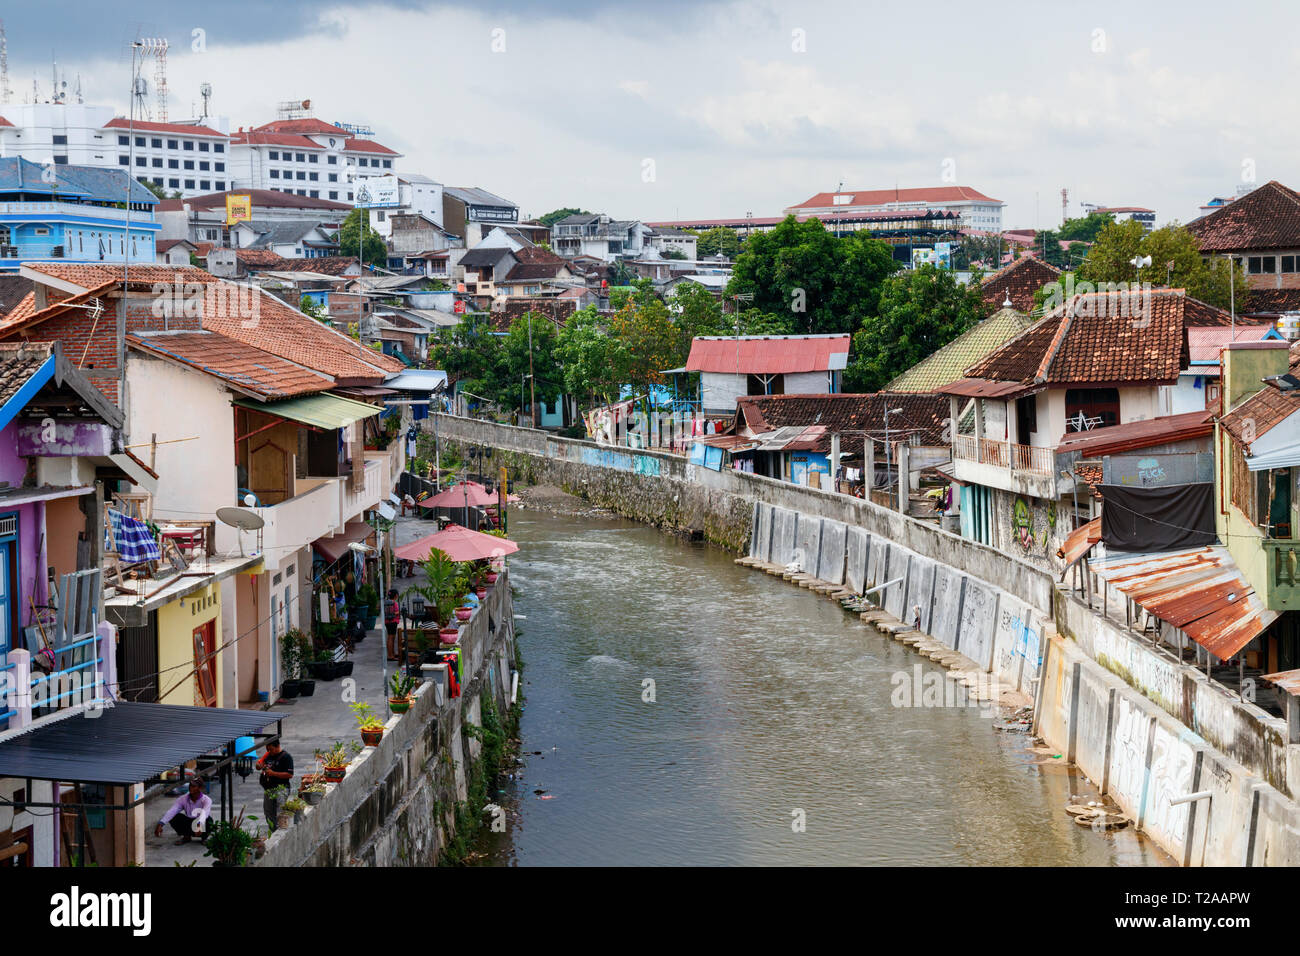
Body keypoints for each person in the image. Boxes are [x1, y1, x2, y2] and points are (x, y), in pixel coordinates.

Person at [155, 779, 212, 846]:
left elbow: (205, 813)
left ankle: (204, 838)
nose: (191, 788)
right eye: (190, 785)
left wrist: (199, 825)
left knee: (209, 820)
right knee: (174, 817)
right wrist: (161, 824)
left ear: (200, 788)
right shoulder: (183, 798)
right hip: (189, 821)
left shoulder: (207, 800)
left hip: (200, 822)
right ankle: (186, 837)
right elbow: (173, 810)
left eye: (194, 786)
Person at [256, 740, 294, 828]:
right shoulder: (268, 755)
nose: (269, 751)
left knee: (280, 811)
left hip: (281, 788)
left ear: (277, 746)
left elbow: (290, 774)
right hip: (268, 788)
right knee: (268, 811)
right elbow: (259, 765)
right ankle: (273, 830)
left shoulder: (286, 757)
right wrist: (258, 765)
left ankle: (281, 829)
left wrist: (273, 773)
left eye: (271, 749)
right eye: (267, 749)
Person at [385, 588, 401, 661]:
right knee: (391, 638)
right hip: (393, 622)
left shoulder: (387, 602)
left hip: (387, 622)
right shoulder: (394, 603)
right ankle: (390, 655)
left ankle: (391, 653)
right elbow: (395, 612)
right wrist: (399, 612)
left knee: (390, 637)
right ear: (396, 595)